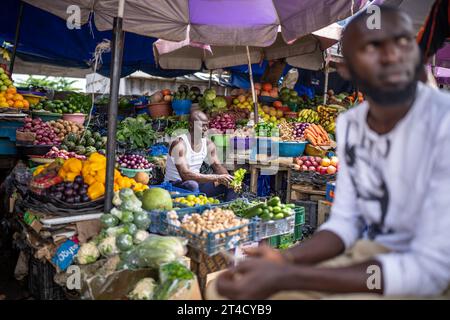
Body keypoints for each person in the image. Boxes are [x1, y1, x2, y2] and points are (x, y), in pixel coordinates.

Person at [209, 5, 450, 300]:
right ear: (347, 68)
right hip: (371, 253)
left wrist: (290, 273)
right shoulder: (352, 124)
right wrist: (284, 259)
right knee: (223, 291)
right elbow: (345, 223)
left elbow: (428, 268)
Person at [164, 110, 237, 201]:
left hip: (196, 183)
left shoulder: (208, 143)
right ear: (191, 125)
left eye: (207, 125)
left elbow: (218, 167)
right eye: (202, 125)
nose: (206, 129)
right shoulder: (179, 144)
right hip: (176, 186)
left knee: (231, 183)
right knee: (192, 185)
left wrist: (228, 179)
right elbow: (185, 175)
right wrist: (217, 177)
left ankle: (229, 208)